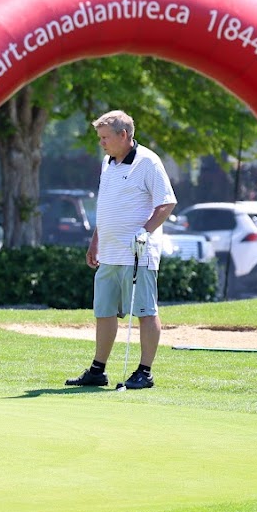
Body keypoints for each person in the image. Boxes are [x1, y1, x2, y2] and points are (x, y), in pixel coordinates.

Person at [64, 110, 176, 391]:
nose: (101, 143)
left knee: (145, 312)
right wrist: (96, 241)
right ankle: (97, 370)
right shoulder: (107, 163)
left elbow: (166, 203)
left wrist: (145, 231)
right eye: (100, 137)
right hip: (109, 252)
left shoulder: (148, 162)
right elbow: (107, 207)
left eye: (105, 137)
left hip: (138, 254)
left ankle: (145, 372)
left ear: (123, 135)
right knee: (104, 311)